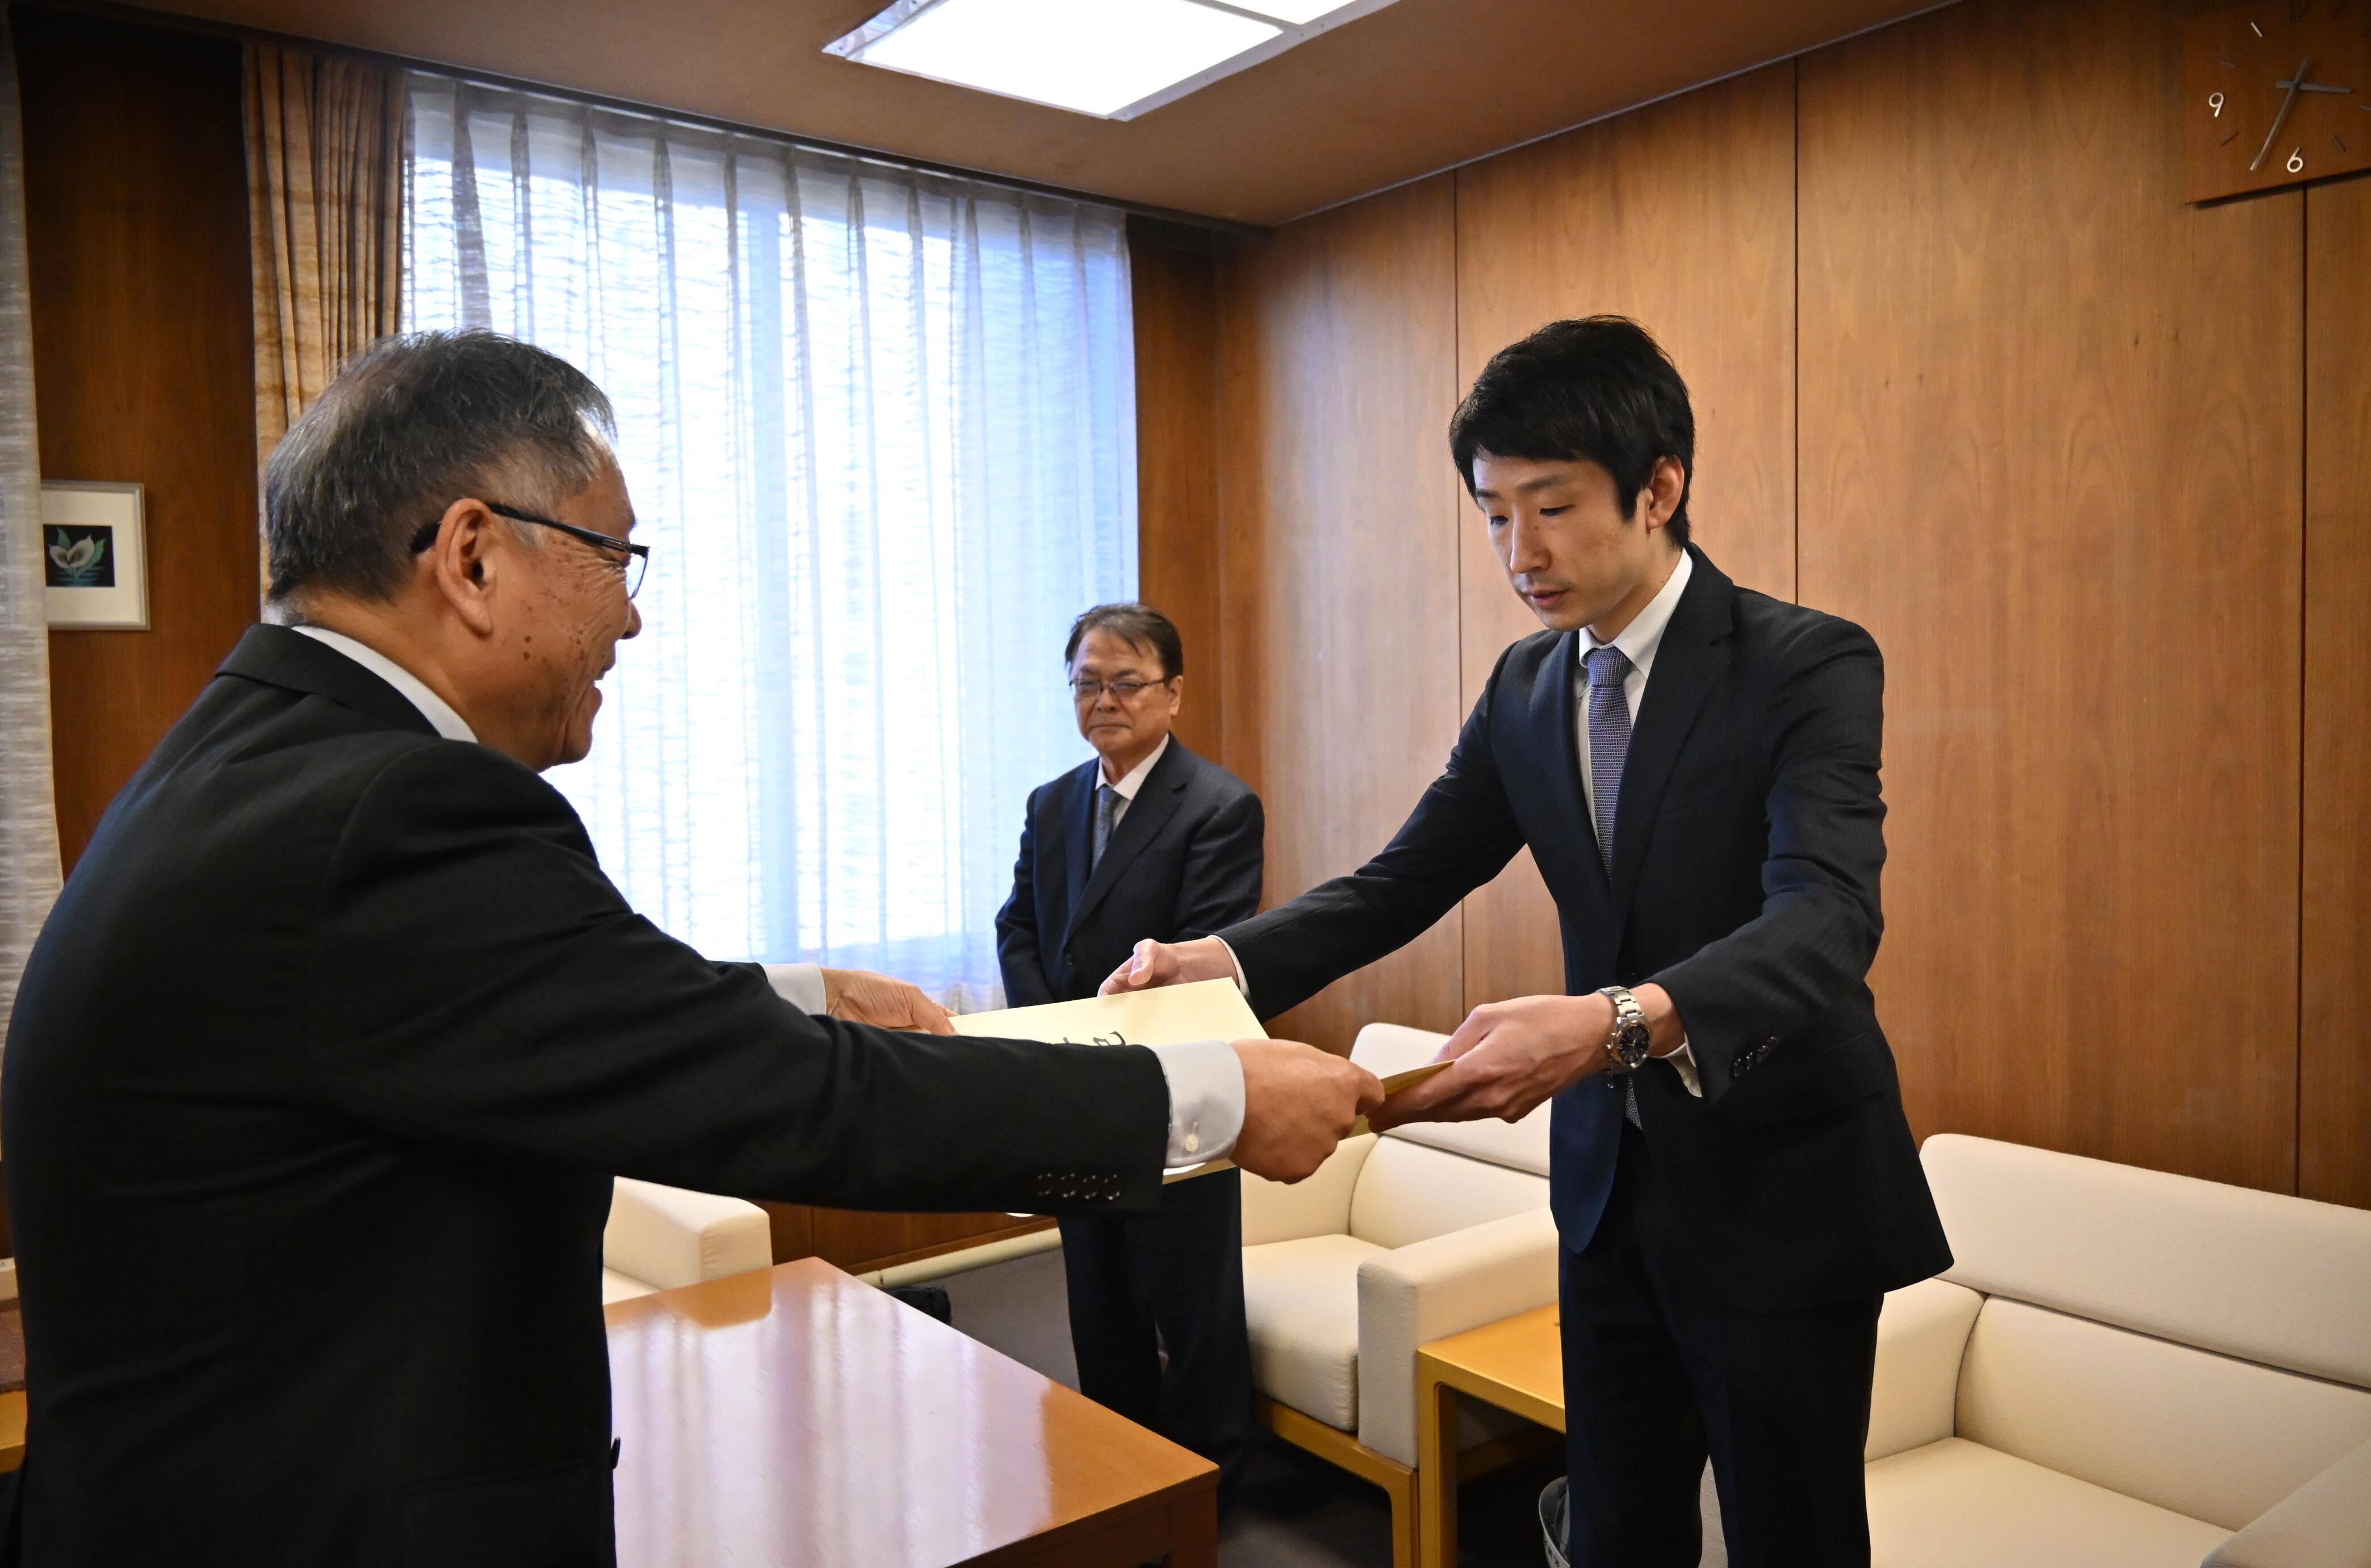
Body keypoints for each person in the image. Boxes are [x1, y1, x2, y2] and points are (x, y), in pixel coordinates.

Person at [0, 330, 1382, 1567]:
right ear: (473, 555)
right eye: (614, 558)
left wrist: (789, 991)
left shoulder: (258, 751)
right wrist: (1212, 1101)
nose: (633, 616)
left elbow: (528, 1004)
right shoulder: (399, 807)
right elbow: (792, 1100)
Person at [1105, 317, 1951, 1567]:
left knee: (1795, 1537)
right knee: (1616, 1528)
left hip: (1785, 1195)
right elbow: (1407, 878)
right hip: (1610, 1194)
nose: (1521, 552)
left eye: (1551, 508)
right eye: (1496, 513)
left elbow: (1826, 920)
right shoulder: (1526, 687)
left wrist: (1613, 1021)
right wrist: (1222, 961)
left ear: (1660, 487)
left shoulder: (1803, 663)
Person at [995, 602, 1263, 1503]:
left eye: (1126, 682)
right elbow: (1021, 926)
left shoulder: (1220, 806)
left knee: (1192, 1306)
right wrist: (1057, 1028)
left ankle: (1210, 1489)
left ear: (1173, 693)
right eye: (1086, 682)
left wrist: (1099, 1032)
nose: (1104, 701)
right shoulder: (1054, 801)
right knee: (1096, 1293)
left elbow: (1204, 954)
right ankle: (1121, 1477)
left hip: (1175, 1089)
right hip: (1075, 1082)